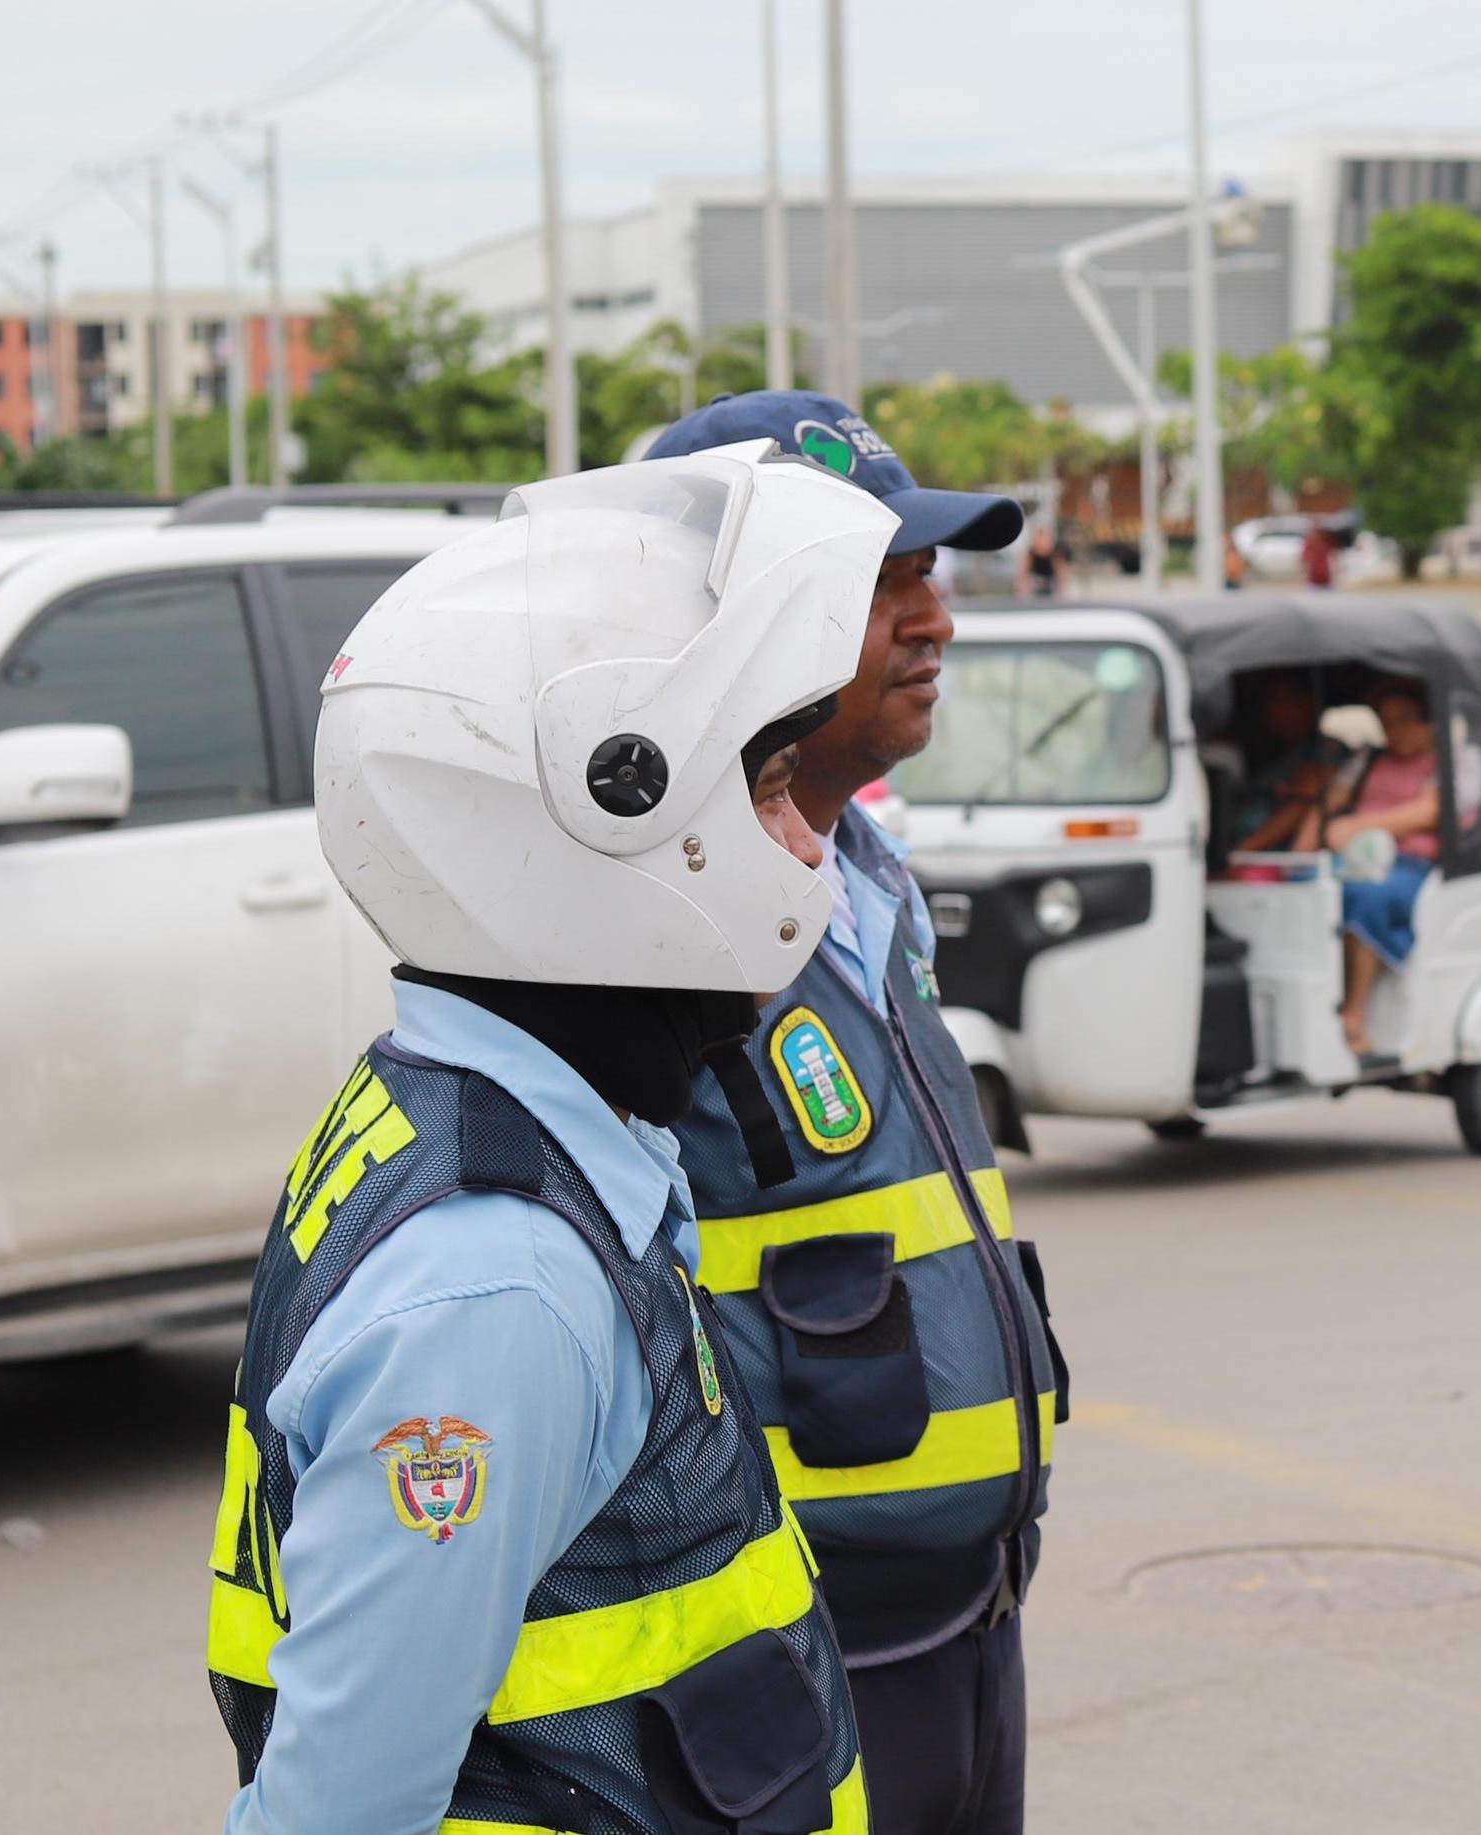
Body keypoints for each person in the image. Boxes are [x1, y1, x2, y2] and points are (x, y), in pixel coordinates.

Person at [208, 443, 893, 1835]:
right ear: (602, 816)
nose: (806, 844)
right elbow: (337, 1808)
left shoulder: (522, 1126)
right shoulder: (498, 1283)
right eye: (764, 784)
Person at [642, 393, 1066, 1835]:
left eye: (928, 573)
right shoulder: (659, 919)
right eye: (885, 578)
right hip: (797, 1656)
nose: (933, 616)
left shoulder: (865, 871)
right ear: (744, 619)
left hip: (965, 1615)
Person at [1324, 677, 1443, 1060]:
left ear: (1428, 722)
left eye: (1406, 720)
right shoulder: (1370, 758)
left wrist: (1359, 825)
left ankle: (1354, 1014)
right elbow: (1334, 800)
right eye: (1387, 723)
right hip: (1353, 859)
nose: (1396, 732)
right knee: (1305, 890)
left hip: (1410, 865)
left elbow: (1427, 812)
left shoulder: (1449, 763)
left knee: (1367, 896)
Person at [1220, 669, 1350, 857]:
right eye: (1273, 701)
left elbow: (1301, 806)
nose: (1283, 710)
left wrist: (1242, 852)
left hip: (1274, 860)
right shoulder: (1268, 751)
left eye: (1294, 701)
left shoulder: (1327, 752)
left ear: (1311, 704)